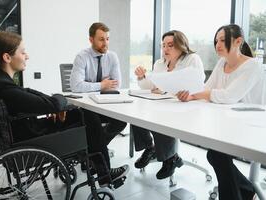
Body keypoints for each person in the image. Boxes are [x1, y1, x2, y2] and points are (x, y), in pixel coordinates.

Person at [0, 31, 127, 187]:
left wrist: (53, 103)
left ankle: (96, 164)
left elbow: (28, 93)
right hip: (31, 138)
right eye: (23, 52)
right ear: (7, 57)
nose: (27, 56)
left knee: (84, 115)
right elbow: (53, 104)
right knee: (88, 116)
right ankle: (104, 174)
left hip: (22, 132)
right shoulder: (3, 86)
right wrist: (58, 99)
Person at [177, 24, 264, 200]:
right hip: (228, 122)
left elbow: (229, 96)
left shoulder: (252, 65)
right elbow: (207, 89)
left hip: (252, 126)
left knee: (216, 154)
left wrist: (198, 94)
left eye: (223, 40)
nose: (217, 44)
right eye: (216, 40)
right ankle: (247, 190)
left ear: (238, 41)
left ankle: (245, 191)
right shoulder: (221, 63)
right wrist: (192, 95)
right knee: (216, 154)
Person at [132, 30, 205, 179]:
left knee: (161, 117)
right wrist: (141, 77)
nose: (165, 49)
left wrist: (168, 91)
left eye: (170, 45)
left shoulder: (192, 59)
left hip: (188, 107)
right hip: (165, 105)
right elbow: (149, 86)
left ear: (181, 45)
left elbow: (198, 85)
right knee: (134, 113)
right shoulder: (160, 63)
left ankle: (170, 158)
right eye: (163, 45)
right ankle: (150, 147)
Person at [70, 23, 127, 146]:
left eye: (107, 39)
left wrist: (89, 85)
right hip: (86, 107)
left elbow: (116, 85)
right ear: (91, 40)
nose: (105, 43)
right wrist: (102, 85)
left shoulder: (112, 57)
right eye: (101, 39)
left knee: (121, 121)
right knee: (93, 121)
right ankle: (98, 150)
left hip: (106, 104)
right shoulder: (82, 57)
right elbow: (76, 86)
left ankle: (97, 147)